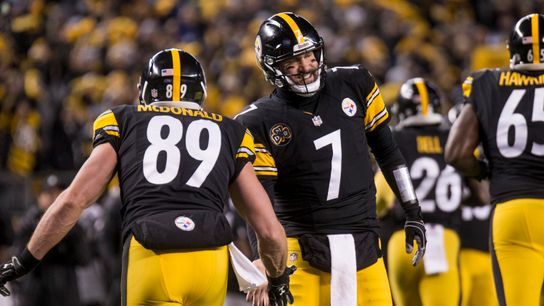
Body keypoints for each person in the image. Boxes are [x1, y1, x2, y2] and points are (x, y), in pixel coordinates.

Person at [0, 48, 293, 306]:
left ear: (145, 89)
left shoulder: (123, 120)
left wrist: (25, 259)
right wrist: (278, 280)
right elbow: (267, 226)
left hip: (153, 252)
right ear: (199, 91)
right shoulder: (231, 131)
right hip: (211, 260)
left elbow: (73, 201)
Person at [235, 12, 427, 306]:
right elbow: (258, 201)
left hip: (364, 243)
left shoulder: (355, 83)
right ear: (272, 68)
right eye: (292, 62)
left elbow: (388, 152)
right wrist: (263, 257)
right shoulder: (258, 120)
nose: (306, 66)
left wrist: (413, 211)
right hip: (300, 251)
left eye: (310, 55)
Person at [445, 13, 544, 306]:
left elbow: (456, 153)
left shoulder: (487, 82)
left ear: (511, 51)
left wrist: (486, 171)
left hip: (515, 209)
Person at [377, 78, 466, 306]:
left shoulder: (395, 140)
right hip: (444, 240)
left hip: (402, 240)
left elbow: (379, 199)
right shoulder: (453, 138)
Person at [12, 174, 89, 306]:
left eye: (58, 193)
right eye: (49, 193)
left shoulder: (74, 225)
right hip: (36, 289)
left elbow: (84, 257)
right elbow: (19, 258)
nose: (54, 198)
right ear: (39, 197)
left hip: (66, 289)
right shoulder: (28, 222)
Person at [447, 104, 497, 306]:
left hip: (488, 251)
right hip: (456, 252)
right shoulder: (447, 158)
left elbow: (486, 195)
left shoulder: (491, 153)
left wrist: (472, 162)